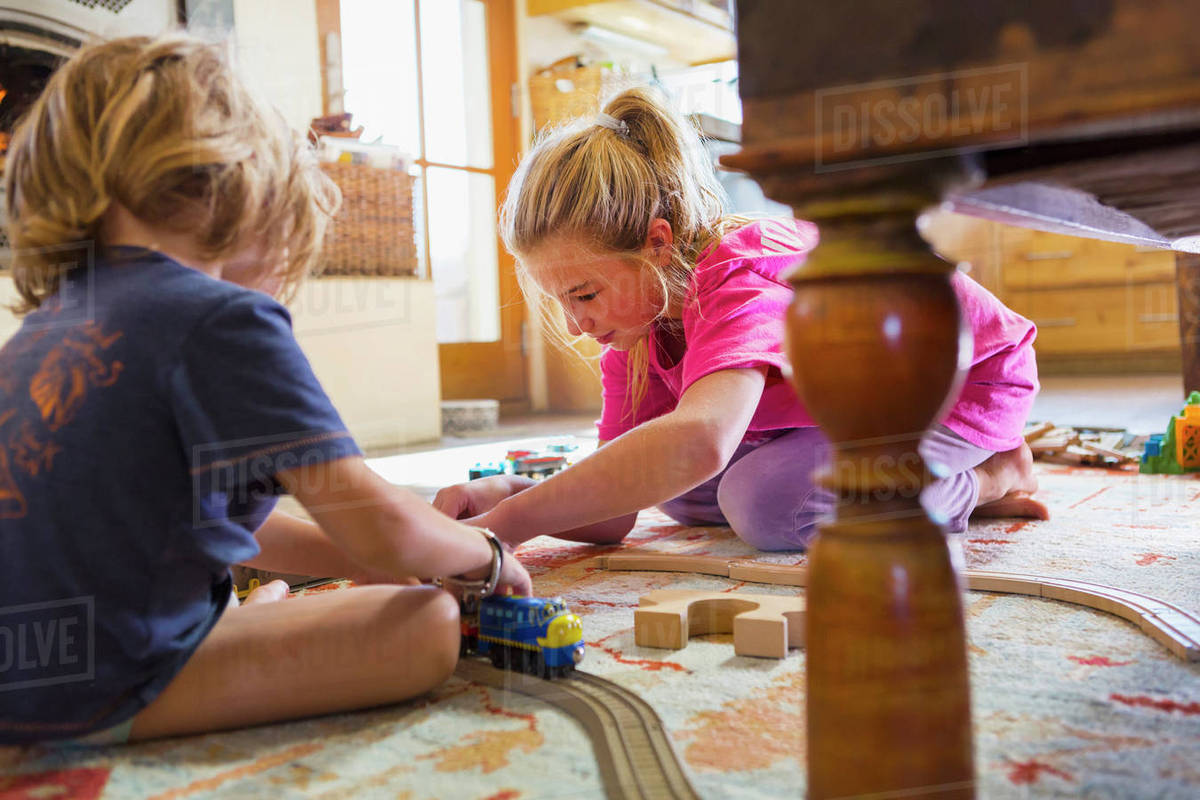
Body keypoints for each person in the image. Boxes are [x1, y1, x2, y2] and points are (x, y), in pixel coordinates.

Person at [0, 34, 530, 747]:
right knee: (425, 626)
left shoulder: (51, 319)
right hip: (91, 684)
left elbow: (229, 524)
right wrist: (485, 556)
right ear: (243, 185)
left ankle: (232, 630)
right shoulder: (221, 315)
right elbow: (374, 518)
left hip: (21, 659)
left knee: (365, 586)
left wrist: (377, 563)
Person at [434, 87, 1048, 551]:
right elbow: (614, 512)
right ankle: (914, 477)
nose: (575, 325)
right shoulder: (638, 326)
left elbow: (699, 439)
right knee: (674, 487)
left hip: (958, 378)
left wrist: (502, 531)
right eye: (561, 302)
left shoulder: (737, 277)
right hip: (847, 397)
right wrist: (508, 498)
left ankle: (991, 474)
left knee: (769, 504)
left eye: (584, 295)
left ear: (657, 243)